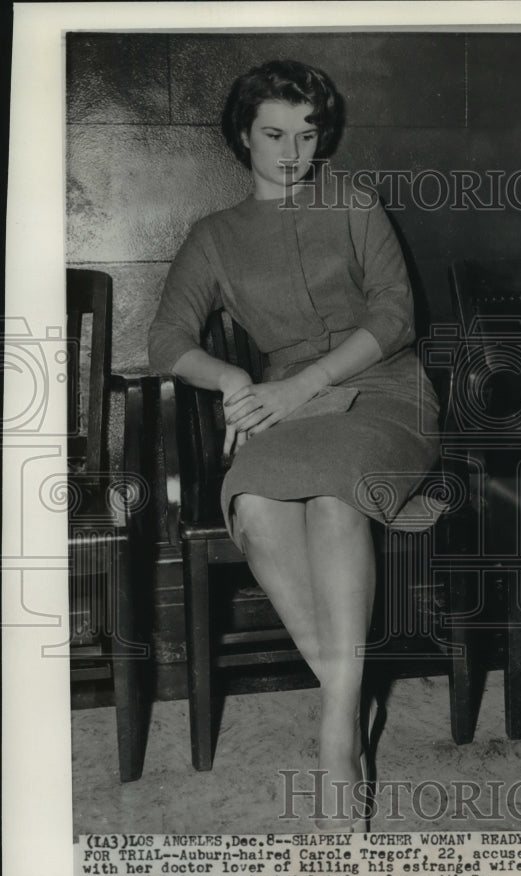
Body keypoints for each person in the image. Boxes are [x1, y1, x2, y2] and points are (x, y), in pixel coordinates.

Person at [148, 59, 440, 831]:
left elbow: (397, 318)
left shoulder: (352, 201)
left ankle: (336, 736)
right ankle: (353, 694)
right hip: (282, 404)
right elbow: (167, 340)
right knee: (255, 503)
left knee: (336, 502)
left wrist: (297, 387)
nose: (292, 153)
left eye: (306, 135)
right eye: (274, 134)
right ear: (243, 135)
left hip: (383, 391)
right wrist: (234, 375)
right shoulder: (214, 236)